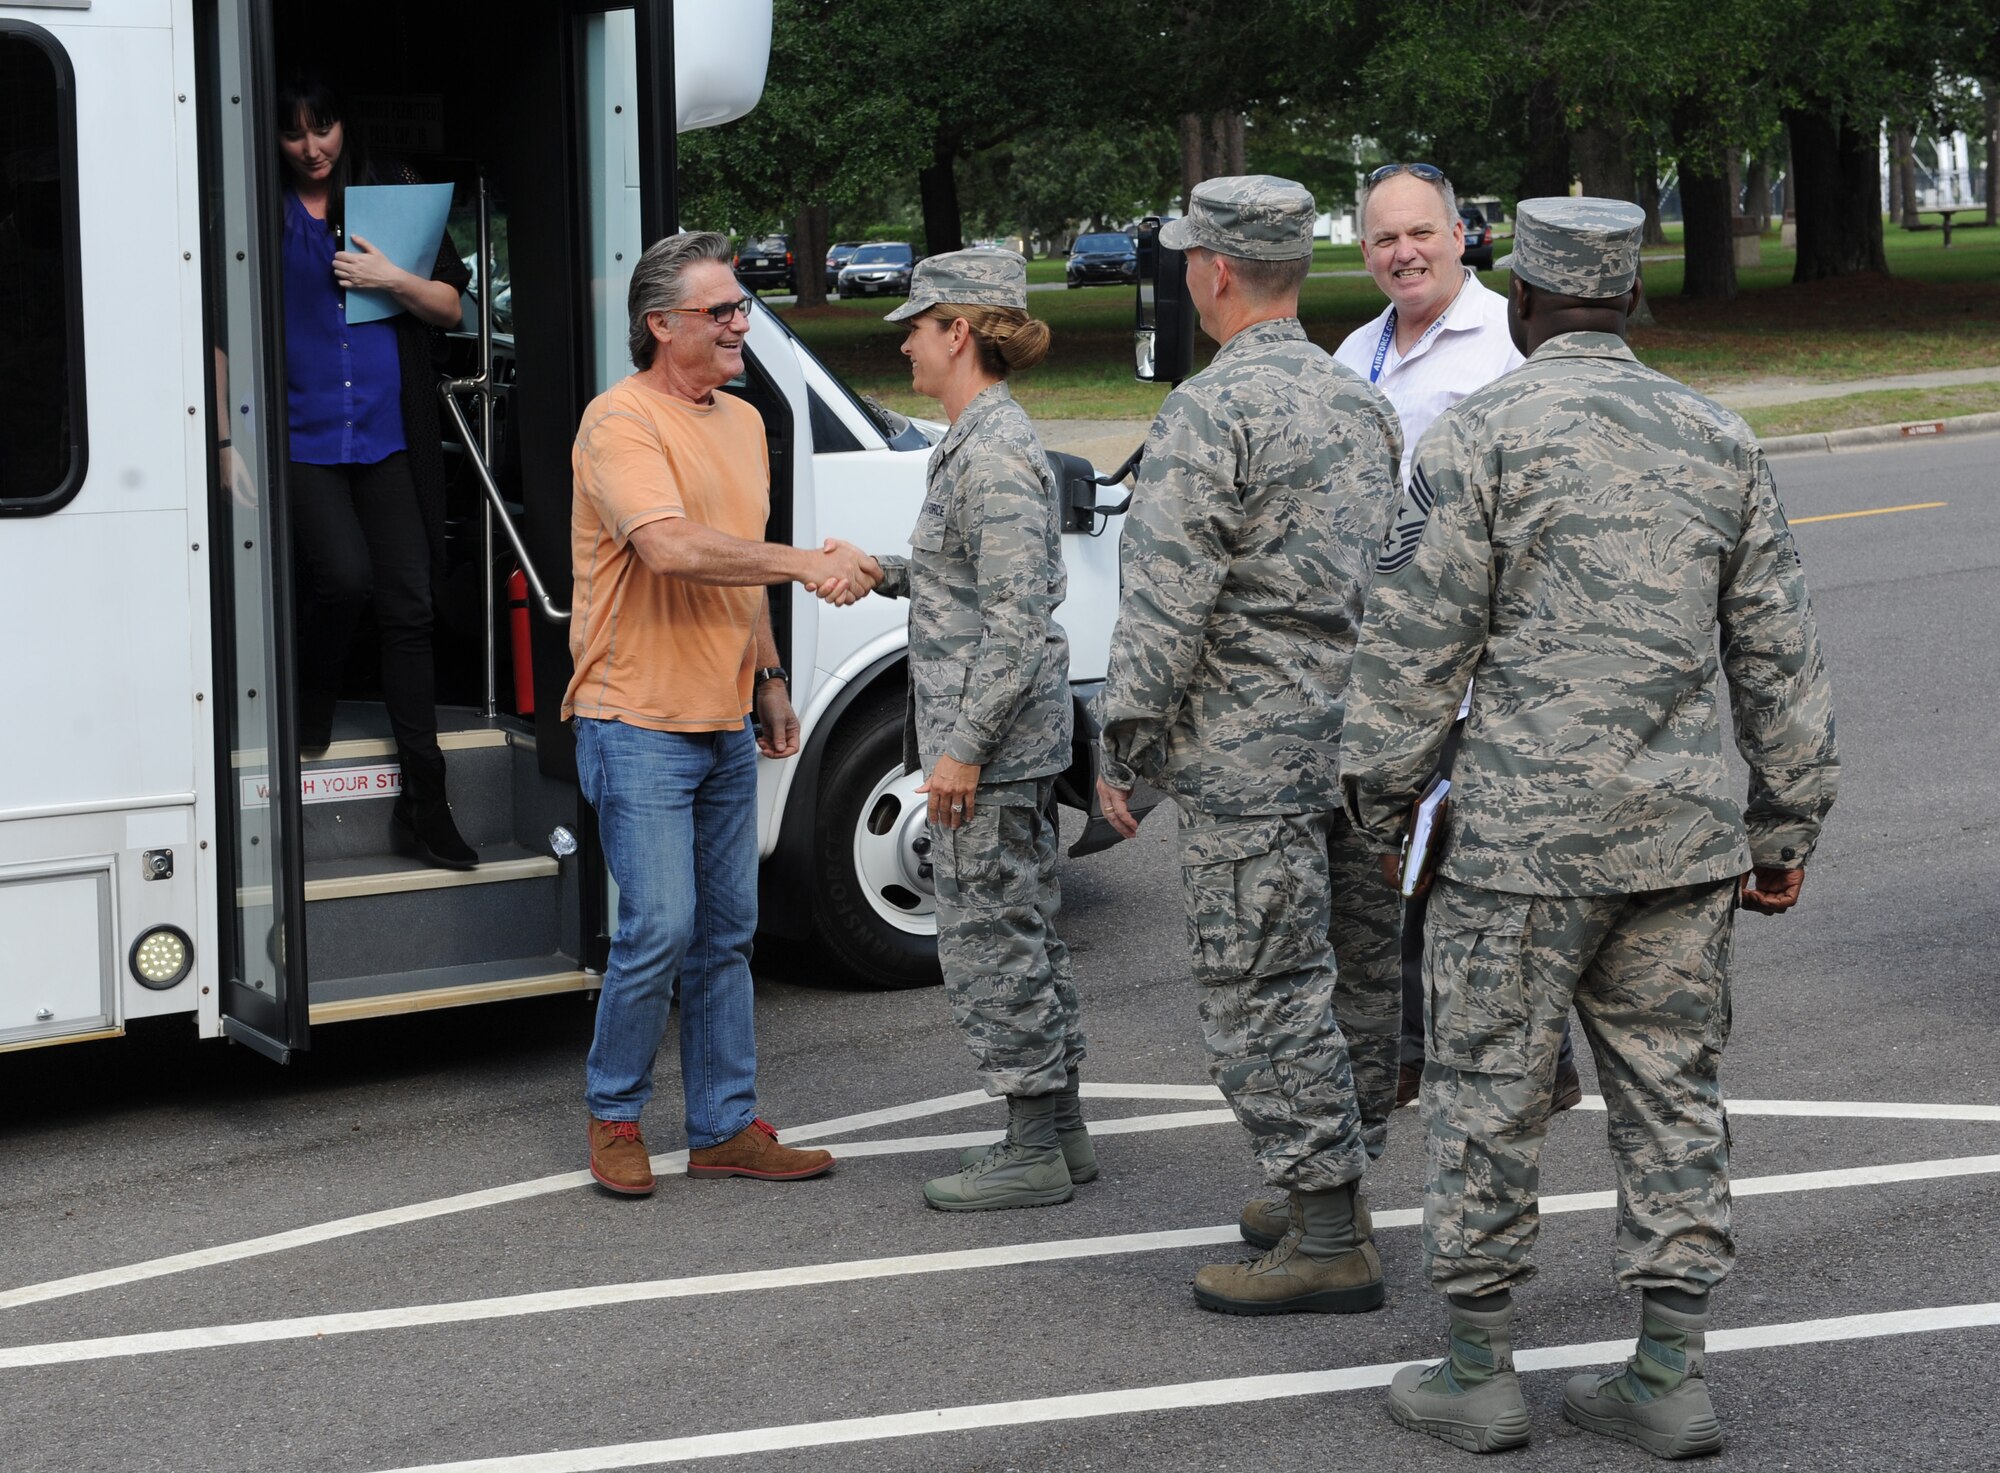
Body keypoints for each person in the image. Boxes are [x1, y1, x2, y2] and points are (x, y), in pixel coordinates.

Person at [1339, 198, 1838, 1456]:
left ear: (1518, 298)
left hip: (1515, 844)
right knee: (1670, 1094)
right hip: (1676, 842)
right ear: (1626, 298)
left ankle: (1476, 1371)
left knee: (1483, 1099)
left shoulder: (1475, 438)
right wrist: (1782, 826)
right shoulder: (1716, 436)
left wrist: (1380, 799)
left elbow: (1411, 643)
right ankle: (1666, 1372)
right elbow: (1776, 656)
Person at [1093, 176, 1403, 1314]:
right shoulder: (1359, 402)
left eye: (1188, 258)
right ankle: (1334, 1184)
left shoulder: (1206, 412)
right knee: (1358, 979)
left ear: (1214, 271)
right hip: (1359, 741)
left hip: (1249, 758)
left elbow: (1164, 605)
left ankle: (1325, 1233)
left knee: (1261, 987)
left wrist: (1126, 751)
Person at [564, 230, 875, 1196]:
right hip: (636, 718)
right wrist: (810, 562)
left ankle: (724, 1125)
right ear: (662, 326)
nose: (743, 323)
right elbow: (671, 549)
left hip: (723, 719)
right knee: (659, 924)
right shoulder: (618, 424)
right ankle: (614, 1114)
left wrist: (771, 680)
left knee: (728, 932)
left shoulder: (742, 423)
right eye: (722, 311)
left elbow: (734, 566)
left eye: (742, 307)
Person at [828, 251, 1088, 1211]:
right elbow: (972, 578)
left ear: (959, 333)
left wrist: (963, 748)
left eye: (917, 324)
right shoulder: (977, 442)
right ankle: (1059, 1132)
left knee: (992, 945)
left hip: (997, 749)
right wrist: (888, 572)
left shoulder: (993, 449)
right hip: (1004, 743)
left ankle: (1032, 1145)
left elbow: (1020, 619)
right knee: (1022, 934)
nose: (903, 341)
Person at [1333, 163, 1581, 1115]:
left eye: (1421, 234)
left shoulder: (1502, 351)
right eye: (1386, 239)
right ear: (1366, 252)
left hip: (1479, 661)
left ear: (1459, 237)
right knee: (1397, 857)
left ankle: (1541, 1061)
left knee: (1481, 874)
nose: (1405, 253)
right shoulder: (1357, 350)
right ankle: (1407, 1046)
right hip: (1386, 655)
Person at [275, 73, 475, 870]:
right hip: (298, 437)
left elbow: (452, 307)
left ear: (343, 126)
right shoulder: (261, 210)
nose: (312, 147)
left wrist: (387, 278)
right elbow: (216, 322)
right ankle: (311, 699)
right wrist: (224, 440)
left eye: (322, 128)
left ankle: (427, 803)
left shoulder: (389, 198)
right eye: (294, 133)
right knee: (344, 580)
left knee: (411, 605)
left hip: (390, 437)